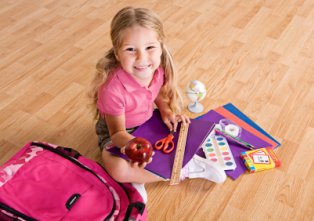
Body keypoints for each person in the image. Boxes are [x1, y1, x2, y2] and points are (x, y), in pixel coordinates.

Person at [89, 7, 226, 197]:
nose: (142, 58)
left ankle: (140, 177)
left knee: (183, 128)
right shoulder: (111, 90)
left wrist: (165, 111)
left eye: (150, 47)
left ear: (160, 46)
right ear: (117, 52)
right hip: (120, 133)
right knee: (118, 168)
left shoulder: (158, 70)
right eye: (130, 49)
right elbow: (117, 132)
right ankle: (184, 169)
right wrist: (132, 145)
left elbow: (158, 93)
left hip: (148, 121)